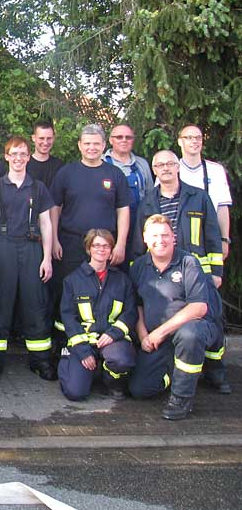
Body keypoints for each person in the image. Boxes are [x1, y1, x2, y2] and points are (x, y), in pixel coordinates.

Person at [134, 150, 229, 393]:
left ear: (178, 167)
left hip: (198, 272)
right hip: (164, 271)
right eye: (160, 165)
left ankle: (216, 371)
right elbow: (138, 242)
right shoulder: (146, 202)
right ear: (154, 170)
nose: (165, 168)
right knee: (172, 317)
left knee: (211, 319)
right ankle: (176, 369)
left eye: (170, 164)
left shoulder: (198, 196)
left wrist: (216, 270)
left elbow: (211, 235)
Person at [129, 215, 224, 420]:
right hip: (159, 340)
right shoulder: (138, 267)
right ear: (145, 238)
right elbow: (136, 305)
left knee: (189, 334)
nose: (160, 240)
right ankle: (179, 373)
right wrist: (143, 334)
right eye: (154, 235)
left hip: (193, 330)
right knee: (140, 389)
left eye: (165, 235)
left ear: (174, 237)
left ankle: (181, 399)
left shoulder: (188, 262)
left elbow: (198, 307)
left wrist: (159, 333)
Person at [0, 136, 56, 381]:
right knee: (2, 304)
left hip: (31, 247)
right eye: (14, 153)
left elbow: (46, 223)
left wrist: (46, 258)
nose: (18, 158)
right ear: (6, 156)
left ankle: (40, 360)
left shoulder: (38, 187)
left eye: (23, 154)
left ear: (28, 157)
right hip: (3, 248)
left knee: (35, 303)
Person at [50, 124, 131, 347]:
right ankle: (63, 347)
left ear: (104, 145)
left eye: (96, 143)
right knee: (67, 294)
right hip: (71, 244)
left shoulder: (115, 174)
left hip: (105, 246)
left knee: (102, 294)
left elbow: (123, 210)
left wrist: (121, 244)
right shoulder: (66, 173)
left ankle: (101, 345)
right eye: (87, 143)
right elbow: (55, 208)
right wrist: (55, 239)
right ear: (79, 145)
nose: (91, 148)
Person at [57, 230, 136, 401]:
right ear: (88, 249)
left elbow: (130, 312)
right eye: (96, 245)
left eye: (106, 246)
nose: (101, 249)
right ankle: (78, 369)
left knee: (121, 360)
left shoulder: (122, 280)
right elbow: (68, 318)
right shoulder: (72, 281)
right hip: (84, 342)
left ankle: (111, 382)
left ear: (111, 250)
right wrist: (83, 351)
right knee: (75, 392)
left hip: (112, 340)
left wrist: (113, 333)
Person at [177, 124, 233, 262]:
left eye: (198, 137)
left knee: (212, 279)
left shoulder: (216, 170)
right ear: (180, 141)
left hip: (210, 234)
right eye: (189, 137)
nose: (194, 141)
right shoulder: (170, 169)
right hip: (180, 236)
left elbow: (222, 208)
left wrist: (224, 239)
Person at [104, 124, 154, 239]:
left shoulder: (142, 164)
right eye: (119, 137)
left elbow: (150, 196)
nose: (124, 140)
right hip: (109, 227)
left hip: (138, 226)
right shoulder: (102, 162)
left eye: (128, 137)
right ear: (111, 140)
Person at [26, 120, 63, 189]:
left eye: (49, 138)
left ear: (53, 138)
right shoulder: (24, 164)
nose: (45, 142)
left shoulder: (59, 166)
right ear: (33, 138)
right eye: (41, 138)